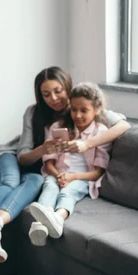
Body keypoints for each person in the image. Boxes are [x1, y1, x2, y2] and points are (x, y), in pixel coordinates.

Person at [0, 67, 130, 263]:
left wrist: (87, 144)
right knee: (10, 183)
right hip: (12, 156)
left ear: (68, 88)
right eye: (46, 94)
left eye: (58, 91)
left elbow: (123, 124)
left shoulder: (81, 107)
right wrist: (43, 149)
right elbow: (23, 157)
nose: (53, 98)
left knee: (38, 182)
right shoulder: (34, 112)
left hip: (39, 171)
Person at [27, 83, 111, 246]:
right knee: (50, 187)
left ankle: (57, 219)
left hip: (83, 178)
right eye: (74, 109)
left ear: (97, 109)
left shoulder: (100, 133)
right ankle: (40, 224)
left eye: (84, 111)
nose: (77, 115)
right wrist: (58, 175)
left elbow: (98, 172)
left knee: (68, 192)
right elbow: (49, 162)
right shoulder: (58, 127)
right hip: (56, 174)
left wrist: (72, 177)